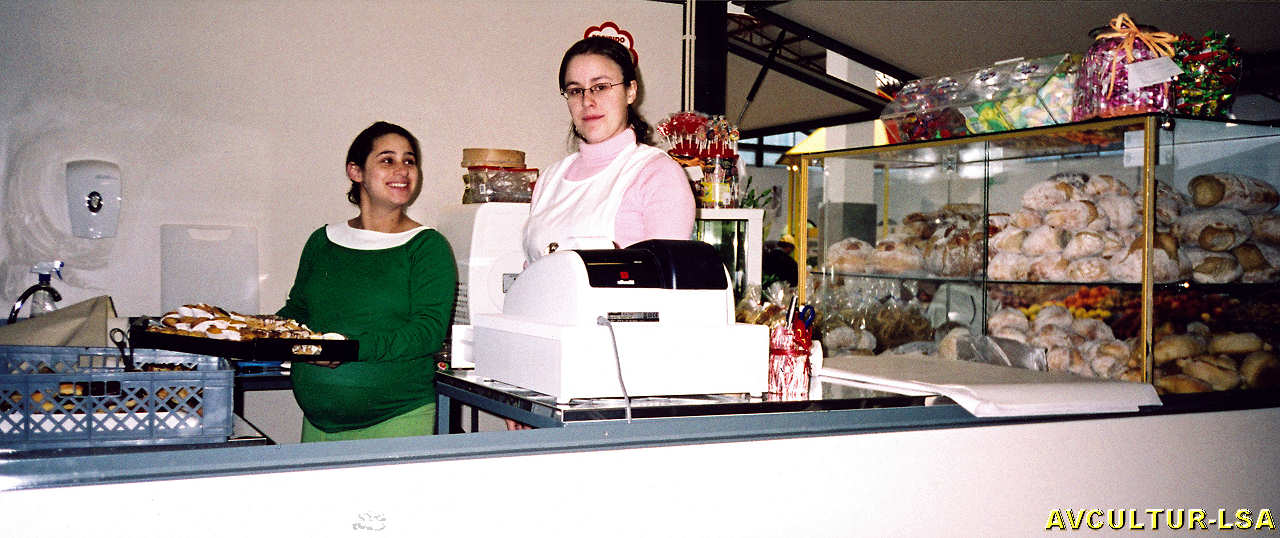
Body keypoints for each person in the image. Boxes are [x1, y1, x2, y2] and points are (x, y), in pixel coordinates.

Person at [277, 121, 457, 442]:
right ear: (355, 171)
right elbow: (297, 313)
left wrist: (349, 349)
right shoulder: (322, 241)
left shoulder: (426, 247)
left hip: (396, 419)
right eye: (387, 160)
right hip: (317, 423)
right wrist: (245, 333)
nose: (402, 170)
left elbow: (427, 333)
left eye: (409, 161)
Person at [522, 36, 695, 263]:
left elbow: (666, 276)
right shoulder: (549, 179)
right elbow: (530, 271)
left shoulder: (658, 174)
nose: (587, 101)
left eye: (601, 87)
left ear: (631, 91)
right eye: (575, 90)